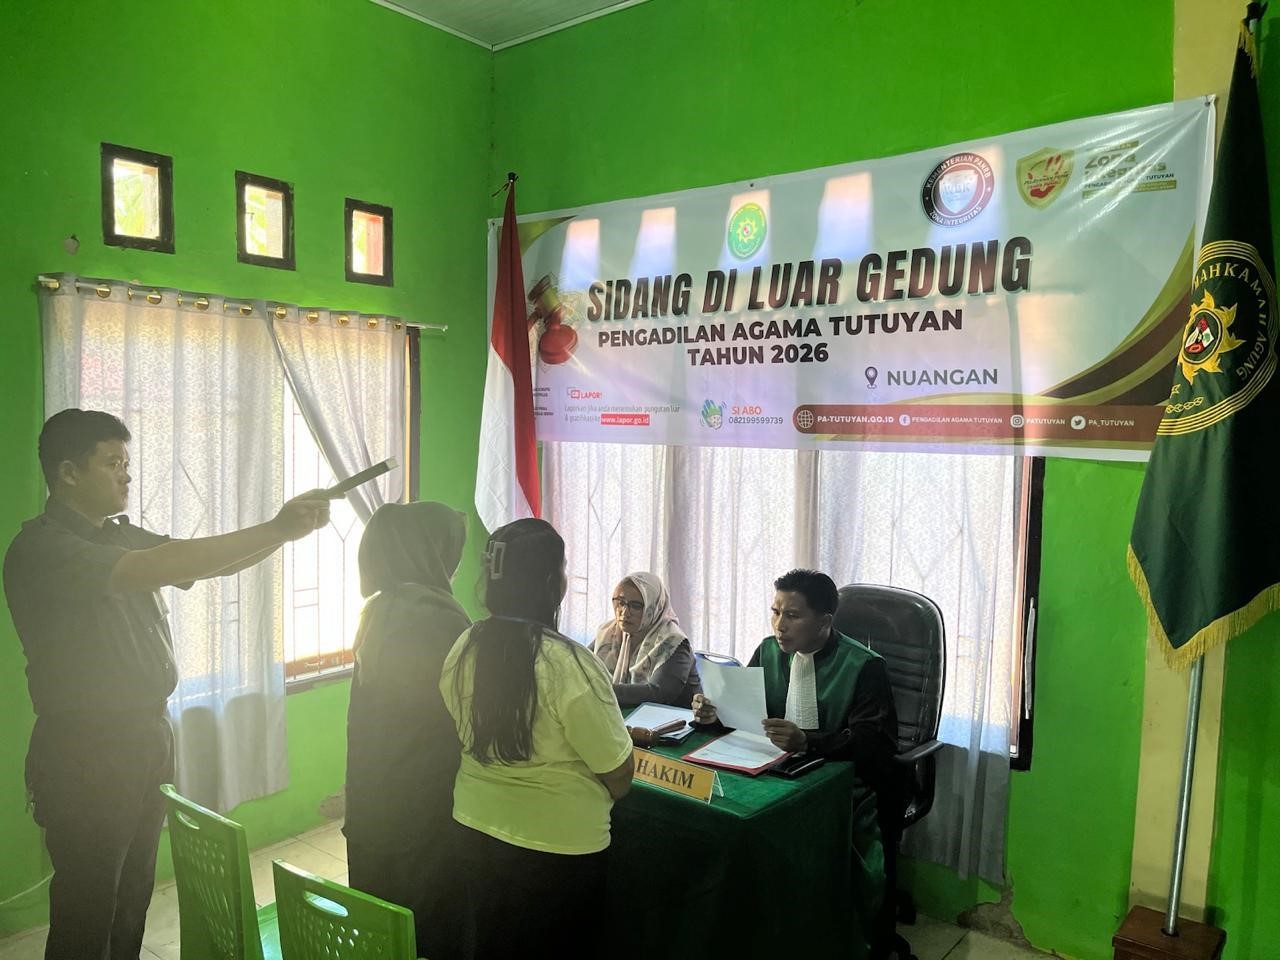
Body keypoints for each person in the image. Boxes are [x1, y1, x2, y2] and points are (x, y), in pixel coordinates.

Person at [3, 409, 330, 960]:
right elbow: (162, 564)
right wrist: (276, 527)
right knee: (87, 903)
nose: (127, 475)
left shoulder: (120, 533)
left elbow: (205, 564)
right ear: (67, 473)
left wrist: (286, 533)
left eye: (127, 462)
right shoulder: (44, 548)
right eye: (113, 463)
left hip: (148, 736)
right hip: (86, 749)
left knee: (134, 893)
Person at [440, 519, 633, 960]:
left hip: (473, 826)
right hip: (560, 850)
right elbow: (619, 774)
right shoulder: (570, 664)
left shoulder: (465, 645)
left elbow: (458, 723)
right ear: (551, 583)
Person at [691, 568, 907, 960]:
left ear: (824, 622)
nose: (779, 625)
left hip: (846, 784)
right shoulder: (768, 651)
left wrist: (809, 741)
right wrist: (713, 714)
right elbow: (749, 714)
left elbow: (873, 743)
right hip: (775, 773)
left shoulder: (863, 666)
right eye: (775, 612)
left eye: (792, 616)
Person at [343, 501, 471, 960]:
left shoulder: (380, 608)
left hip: (374, 806)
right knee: (427, 933)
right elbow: (467, 713)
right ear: (434, 552)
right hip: (421, 811)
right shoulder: (438, 616)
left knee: (380, 933)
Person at [591, 571, 702, 709]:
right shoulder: (608, 632)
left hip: (674, 724)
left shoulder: (673, 642)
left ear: (654, 607)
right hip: (630, 717)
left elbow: (658, 694)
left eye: (636, 606)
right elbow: (581, 664)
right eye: (620, 602)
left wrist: (599, 690)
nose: (624, 612)